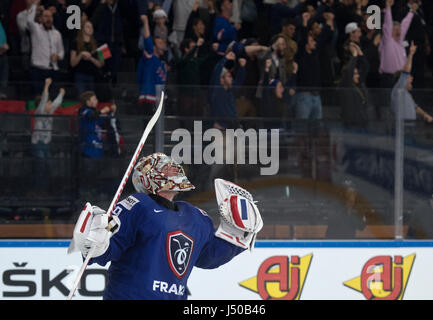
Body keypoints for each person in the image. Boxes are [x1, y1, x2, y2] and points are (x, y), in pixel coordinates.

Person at [70, 153, 263, 300]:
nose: (172, 169)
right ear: (147, 179)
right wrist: (95, 242)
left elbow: (209, 258)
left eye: (172, 166)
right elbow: (105, 251)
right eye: (163, 168)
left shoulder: (197, 217)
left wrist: (238, 235)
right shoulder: (137, 205)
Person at [391, 41, 433, 137]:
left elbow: (415, 107)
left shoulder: (406, 93)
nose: (412, 78)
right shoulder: (398, 89)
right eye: (409, 77)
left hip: (411, 127)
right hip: (402, 128)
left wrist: (425, 115)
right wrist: (410, 55)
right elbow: (405, 72)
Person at [31, 77, 65, 192]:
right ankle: (38, 188)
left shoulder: (50, 112)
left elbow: (57, 103)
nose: (51, 105)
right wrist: (46, 85)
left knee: (49, 166)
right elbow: (44, 99)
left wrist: (61, 94)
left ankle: (46, 188)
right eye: (48, 103)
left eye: (50, 103)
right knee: (40, 165)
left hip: (46, 144)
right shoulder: (39, 112)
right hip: (38, 144)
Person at [26, 1, 65, 95]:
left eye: (50, 16)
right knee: (39, 98)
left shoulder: (57, 34)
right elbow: (29, 20)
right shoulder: (36, 30)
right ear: (40, 18)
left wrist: (58, 56)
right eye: (46, 16)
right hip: (38, 71)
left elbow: (62, 51)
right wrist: (35, 5)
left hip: (53, 71)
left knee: (51, 99)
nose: (49, 19)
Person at [378, 0, 414, 88]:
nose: (398, 31)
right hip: (389, 78)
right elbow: (387, 24)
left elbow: (405, 24)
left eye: (399, 29)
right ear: (390, 32)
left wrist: (412, 12)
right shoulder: (388, 41)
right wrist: (388, 8)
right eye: (395, 29)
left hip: (400, 77)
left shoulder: (400, 42)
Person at [70, 20, 105, 96]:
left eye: (91, 27)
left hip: (94, 76)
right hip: (80, 75)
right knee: (82, 98)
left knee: (92, 99)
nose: (90, 28)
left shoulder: (99, 43)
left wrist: (91, 58)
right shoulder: (75, 42)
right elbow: (72, 63)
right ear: (82, 29)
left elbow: (101, 64)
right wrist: (81, 54)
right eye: (88, 26)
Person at [78, 90, 116, 158]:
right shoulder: (83, 110)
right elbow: (91, 115)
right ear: (88, 102)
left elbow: (105, 123)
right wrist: (102, 111)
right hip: (88, 149)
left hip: (99, 150)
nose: (97, 101)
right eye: (94, 99)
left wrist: (111, 111)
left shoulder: (97, 113)